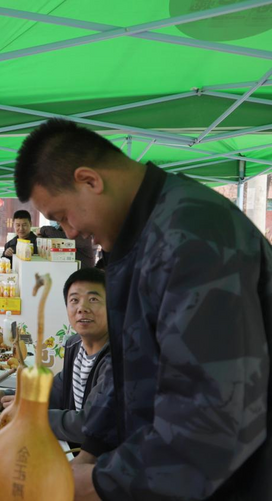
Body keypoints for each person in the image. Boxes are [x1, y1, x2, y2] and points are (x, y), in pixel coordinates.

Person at [15, 118, 272, 500]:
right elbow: (130, 370)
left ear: (89, 180)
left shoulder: (192, 235)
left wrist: (101, 482)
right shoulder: (138, 238)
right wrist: (92, 452)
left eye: (62, 216)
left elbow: (212, 423)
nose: (68, 233)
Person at [3, 268, 111, 445]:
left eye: (93, 299)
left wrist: (31, 416)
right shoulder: (74, 345)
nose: (82, 308)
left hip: (98, 462)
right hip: (71, 449)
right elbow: (55, 391)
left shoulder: (115, 361)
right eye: (74, 300)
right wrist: (12, 397)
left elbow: (90, 424)